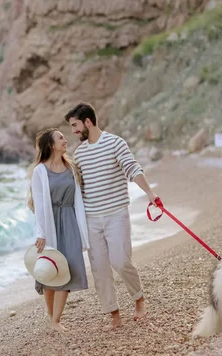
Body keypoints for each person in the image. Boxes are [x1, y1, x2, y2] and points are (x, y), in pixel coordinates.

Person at [64, 102, 160, 330]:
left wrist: (150, 193)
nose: (74, 131)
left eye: (75, 125)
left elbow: (132, 168)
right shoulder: (80, 153)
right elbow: (78, 188)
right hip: (91, 219)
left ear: (88, 121)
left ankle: (139, 300)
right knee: (99, 270)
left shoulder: (115, 143)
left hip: (116, 214)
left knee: (120, 261)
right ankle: (114, 315)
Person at [27, 128, 90, 332]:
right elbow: (39, 205)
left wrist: (84, 230)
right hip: (50, 223)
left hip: (70, 221)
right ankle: (50, 314)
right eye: (60, 138)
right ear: (51, 145)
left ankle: (56, 320)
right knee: (49, 270)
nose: (65, 140)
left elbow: (79, 199)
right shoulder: (40, 171)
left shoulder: (71, 167)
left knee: (67, 270)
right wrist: (41, 234)